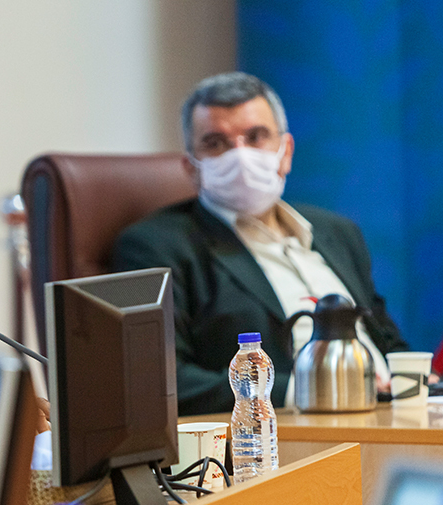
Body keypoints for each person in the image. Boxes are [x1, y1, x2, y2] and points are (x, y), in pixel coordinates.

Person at [113, 72, 408, 416]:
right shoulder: (155, 246)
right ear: (191, 168)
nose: (240, 156)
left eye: (256, 137)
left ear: (286, 152)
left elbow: (387, 340)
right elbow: (161, 381)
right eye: (215, 143)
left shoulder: (338, 231)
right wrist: (308, 391)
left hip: (396, 414)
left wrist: (416, 381)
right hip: (289, 427)